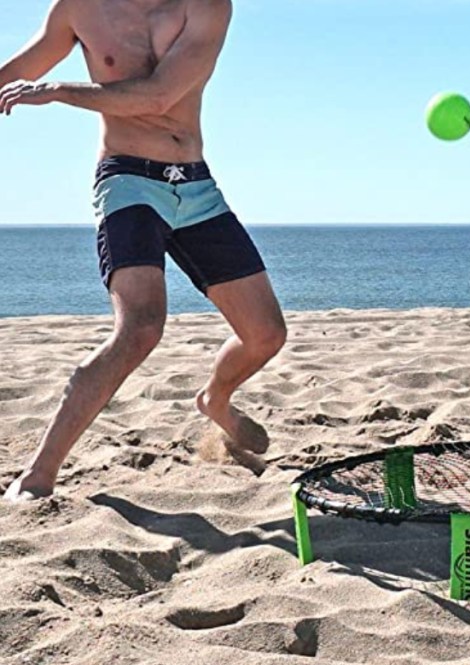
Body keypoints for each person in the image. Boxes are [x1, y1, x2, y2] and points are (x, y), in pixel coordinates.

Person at [0, 0, 287, 501]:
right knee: (140, 327)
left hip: (194, 184)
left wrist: (58, 91)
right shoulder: (79, 9)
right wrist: (35, 86)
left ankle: (215, 399)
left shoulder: (207, 6)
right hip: (127, 180)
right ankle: (38, 474)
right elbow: (13, 73)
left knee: (265, 334)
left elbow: (159, 96)